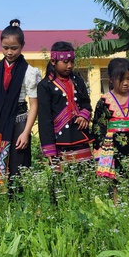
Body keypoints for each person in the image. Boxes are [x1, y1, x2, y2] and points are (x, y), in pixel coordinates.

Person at [0, 20, 42, 196]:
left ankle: (16, 204)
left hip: (19, 122)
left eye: (14, 48)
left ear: (22, 46)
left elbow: (34, 104)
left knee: (16, 166)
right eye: (5, 47)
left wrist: (26, 132)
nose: (10, 52)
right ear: (1, 45)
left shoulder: (29, 72)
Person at [92, 57, 129, 180]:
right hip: (111, 146)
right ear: (110, 79)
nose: (126, 83)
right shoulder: (104, 101)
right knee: (114, 180)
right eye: (121, 79)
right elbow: (98, 127)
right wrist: (101, 149)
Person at [37, 41, 94, 170]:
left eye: (72, 62)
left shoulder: (78, 80)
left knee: (85, 178)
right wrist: (49, 149)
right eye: (65, 62)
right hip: (58, 142)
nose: (69, 66)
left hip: (80, 137)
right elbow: (45, 119)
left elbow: (86, 102)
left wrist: (84, 116)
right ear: (53, 61)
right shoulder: (45, 86)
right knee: (62, 184)